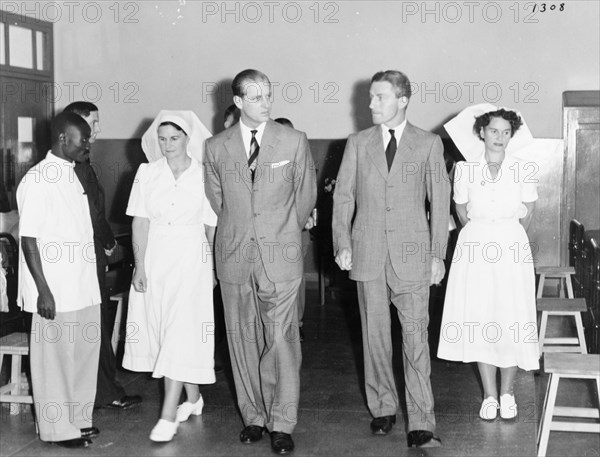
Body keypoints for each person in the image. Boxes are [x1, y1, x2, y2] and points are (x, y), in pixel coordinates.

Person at [332, 70, 450, 448]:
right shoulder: (357, 142)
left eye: (379, 97)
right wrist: (342, 242)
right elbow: (343, 198)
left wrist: (436, 256)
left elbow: (440, 203)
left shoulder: (429, 144)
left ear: (402, 100)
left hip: (413, 258)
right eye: (369, 97)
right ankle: (383, 407)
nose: (370, 105)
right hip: (367, 255)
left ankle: (421, 421)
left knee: (415, 342)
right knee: (375, 338)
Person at [204, 69, 317, 455]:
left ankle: (282, 422)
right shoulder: (215, 147)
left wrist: (282, 233)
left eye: (268, 94)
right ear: (237, 102)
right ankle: (253, 417)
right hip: (235, 255)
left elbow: (304, 198)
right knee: (241, 338)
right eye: (255, 97)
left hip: (281, 254)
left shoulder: (293, 140)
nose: (265, 102)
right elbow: (219, 201)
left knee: (282, 339)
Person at [437, 106, 539, 421]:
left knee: (509, 317)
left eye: (506, 132)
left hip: (511, 247)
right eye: (493, 130)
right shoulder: (466, 170)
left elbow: (529, 211)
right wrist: (483, 234)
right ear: (482, 132)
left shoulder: (522, 168)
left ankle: (508, 394)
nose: (499, 137)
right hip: (475, 248)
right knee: (481, 317)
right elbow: (462, 212)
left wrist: (506, 237)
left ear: (512, 135)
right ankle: (490, 396)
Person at [122, 111, 217, 442]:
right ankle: (193, 398)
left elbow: (210, 227)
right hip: (156, 256)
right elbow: (139, 222)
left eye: (174, 138)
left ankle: (167, 416)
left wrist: (213, 268)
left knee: (181, 329)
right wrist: (139, 265)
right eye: (162, 139)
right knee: (165, 331)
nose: (167, 145)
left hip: (193, 258)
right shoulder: (147, 173)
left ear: (188, 138)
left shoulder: (205, 174)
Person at [17, 112, 101, 449]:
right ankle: (57, 429)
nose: (88, 145)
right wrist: (43, 291)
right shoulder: (37, 179)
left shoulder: (72, 174)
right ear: (63, 139)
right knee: (54, 361)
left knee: (82, 355)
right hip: (55, 289)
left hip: (81, 285)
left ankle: (79, 420)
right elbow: (29, 239)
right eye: (83, 139)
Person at [63, 101, 142, 412]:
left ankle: (100, 389)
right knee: (95, 324)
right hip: (85, 257)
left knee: (97, 323)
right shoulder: (76, 166)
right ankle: (103, 391)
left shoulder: (82, 163)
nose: (98, 130)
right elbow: (92, 214)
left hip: (87, 257)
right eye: (93, 123)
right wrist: (109, 243)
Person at [274, 116, 314, 342]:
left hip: (296, 231)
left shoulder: (301, 158)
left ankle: (296, 325)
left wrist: (305, 216)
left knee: (295, 280)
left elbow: (308, 193)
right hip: (272, 233)